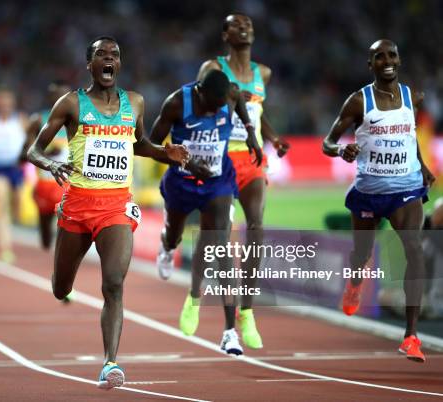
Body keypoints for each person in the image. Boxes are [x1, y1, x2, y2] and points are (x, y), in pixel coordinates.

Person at [27, 36, 188, 389]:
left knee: (114, 283)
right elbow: (33, 150)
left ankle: (110, 363)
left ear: (120, 63)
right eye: (102, 54)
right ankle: (63, 287)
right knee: (60, 287)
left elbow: (141, 144)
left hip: (115, 206)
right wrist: (50, 163)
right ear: (90, 64)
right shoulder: (71, 104)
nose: (109, 58)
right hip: (78, 204)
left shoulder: (136, 102)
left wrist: (166, 153)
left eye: (114, 54)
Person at [168, 12, 289, 350]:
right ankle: (194, 297)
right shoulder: (212, 69)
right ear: (225, 34)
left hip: (251, 159)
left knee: (257, 229)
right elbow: (199, 107)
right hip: (220, 156)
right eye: (237, 25)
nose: (244, 28)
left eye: (248, 24)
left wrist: (274, 138)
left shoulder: (263, 73)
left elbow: (257, 115)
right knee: (213, 238)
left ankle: (247, 312)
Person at [323, 39, 435, 363]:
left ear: (399, 60)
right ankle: (356, 280)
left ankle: (411, 336)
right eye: (379, 57)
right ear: (370, 64)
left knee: (414, 250)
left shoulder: (412, 97)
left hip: (406, 188)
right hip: (370, 191)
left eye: (392, 55)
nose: (387, 61)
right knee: (361, 253)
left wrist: (423, 165)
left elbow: (409, 135)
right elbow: (328, 142)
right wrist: (341, 149)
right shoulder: (359, 101)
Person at [150, 69, 262, 355]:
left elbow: (239, 107)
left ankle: (229, 333)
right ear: (200, 92)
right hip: (182, 182)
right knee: (175, 236)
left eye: (221, 104)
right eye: (213, 104)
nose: (217, 109)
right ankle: (166, 245)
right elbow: (150, 145)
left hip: (218, 182)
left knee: (222, 249)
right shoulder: (177, 103)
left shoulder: (230, 96)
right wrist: (186, 164)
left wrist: (249, 132)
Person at [0, 88, 29, 263]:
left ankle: (15, 220)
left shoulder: (21, 120)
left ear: (12, 104)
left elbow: (30, 141)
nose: (4, 106)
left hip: (16, 168)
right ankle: (6, 247)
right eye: (1, 103)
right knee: (2, 206)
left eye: (7, 103)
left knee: (16, 206)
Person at [27, 82, 71, 250]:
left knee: (66, 223)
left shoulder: (79, 119)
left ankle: (62, 255)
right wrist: (46, 153)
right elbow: (27, 152)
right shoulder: (38, 120)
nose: (62, 99)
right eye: (58, 95)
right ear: (50, 97)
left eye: (66, 95)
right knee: (45, 228)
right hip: (45, 182)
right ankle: (46, 251)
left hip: (68, 183)